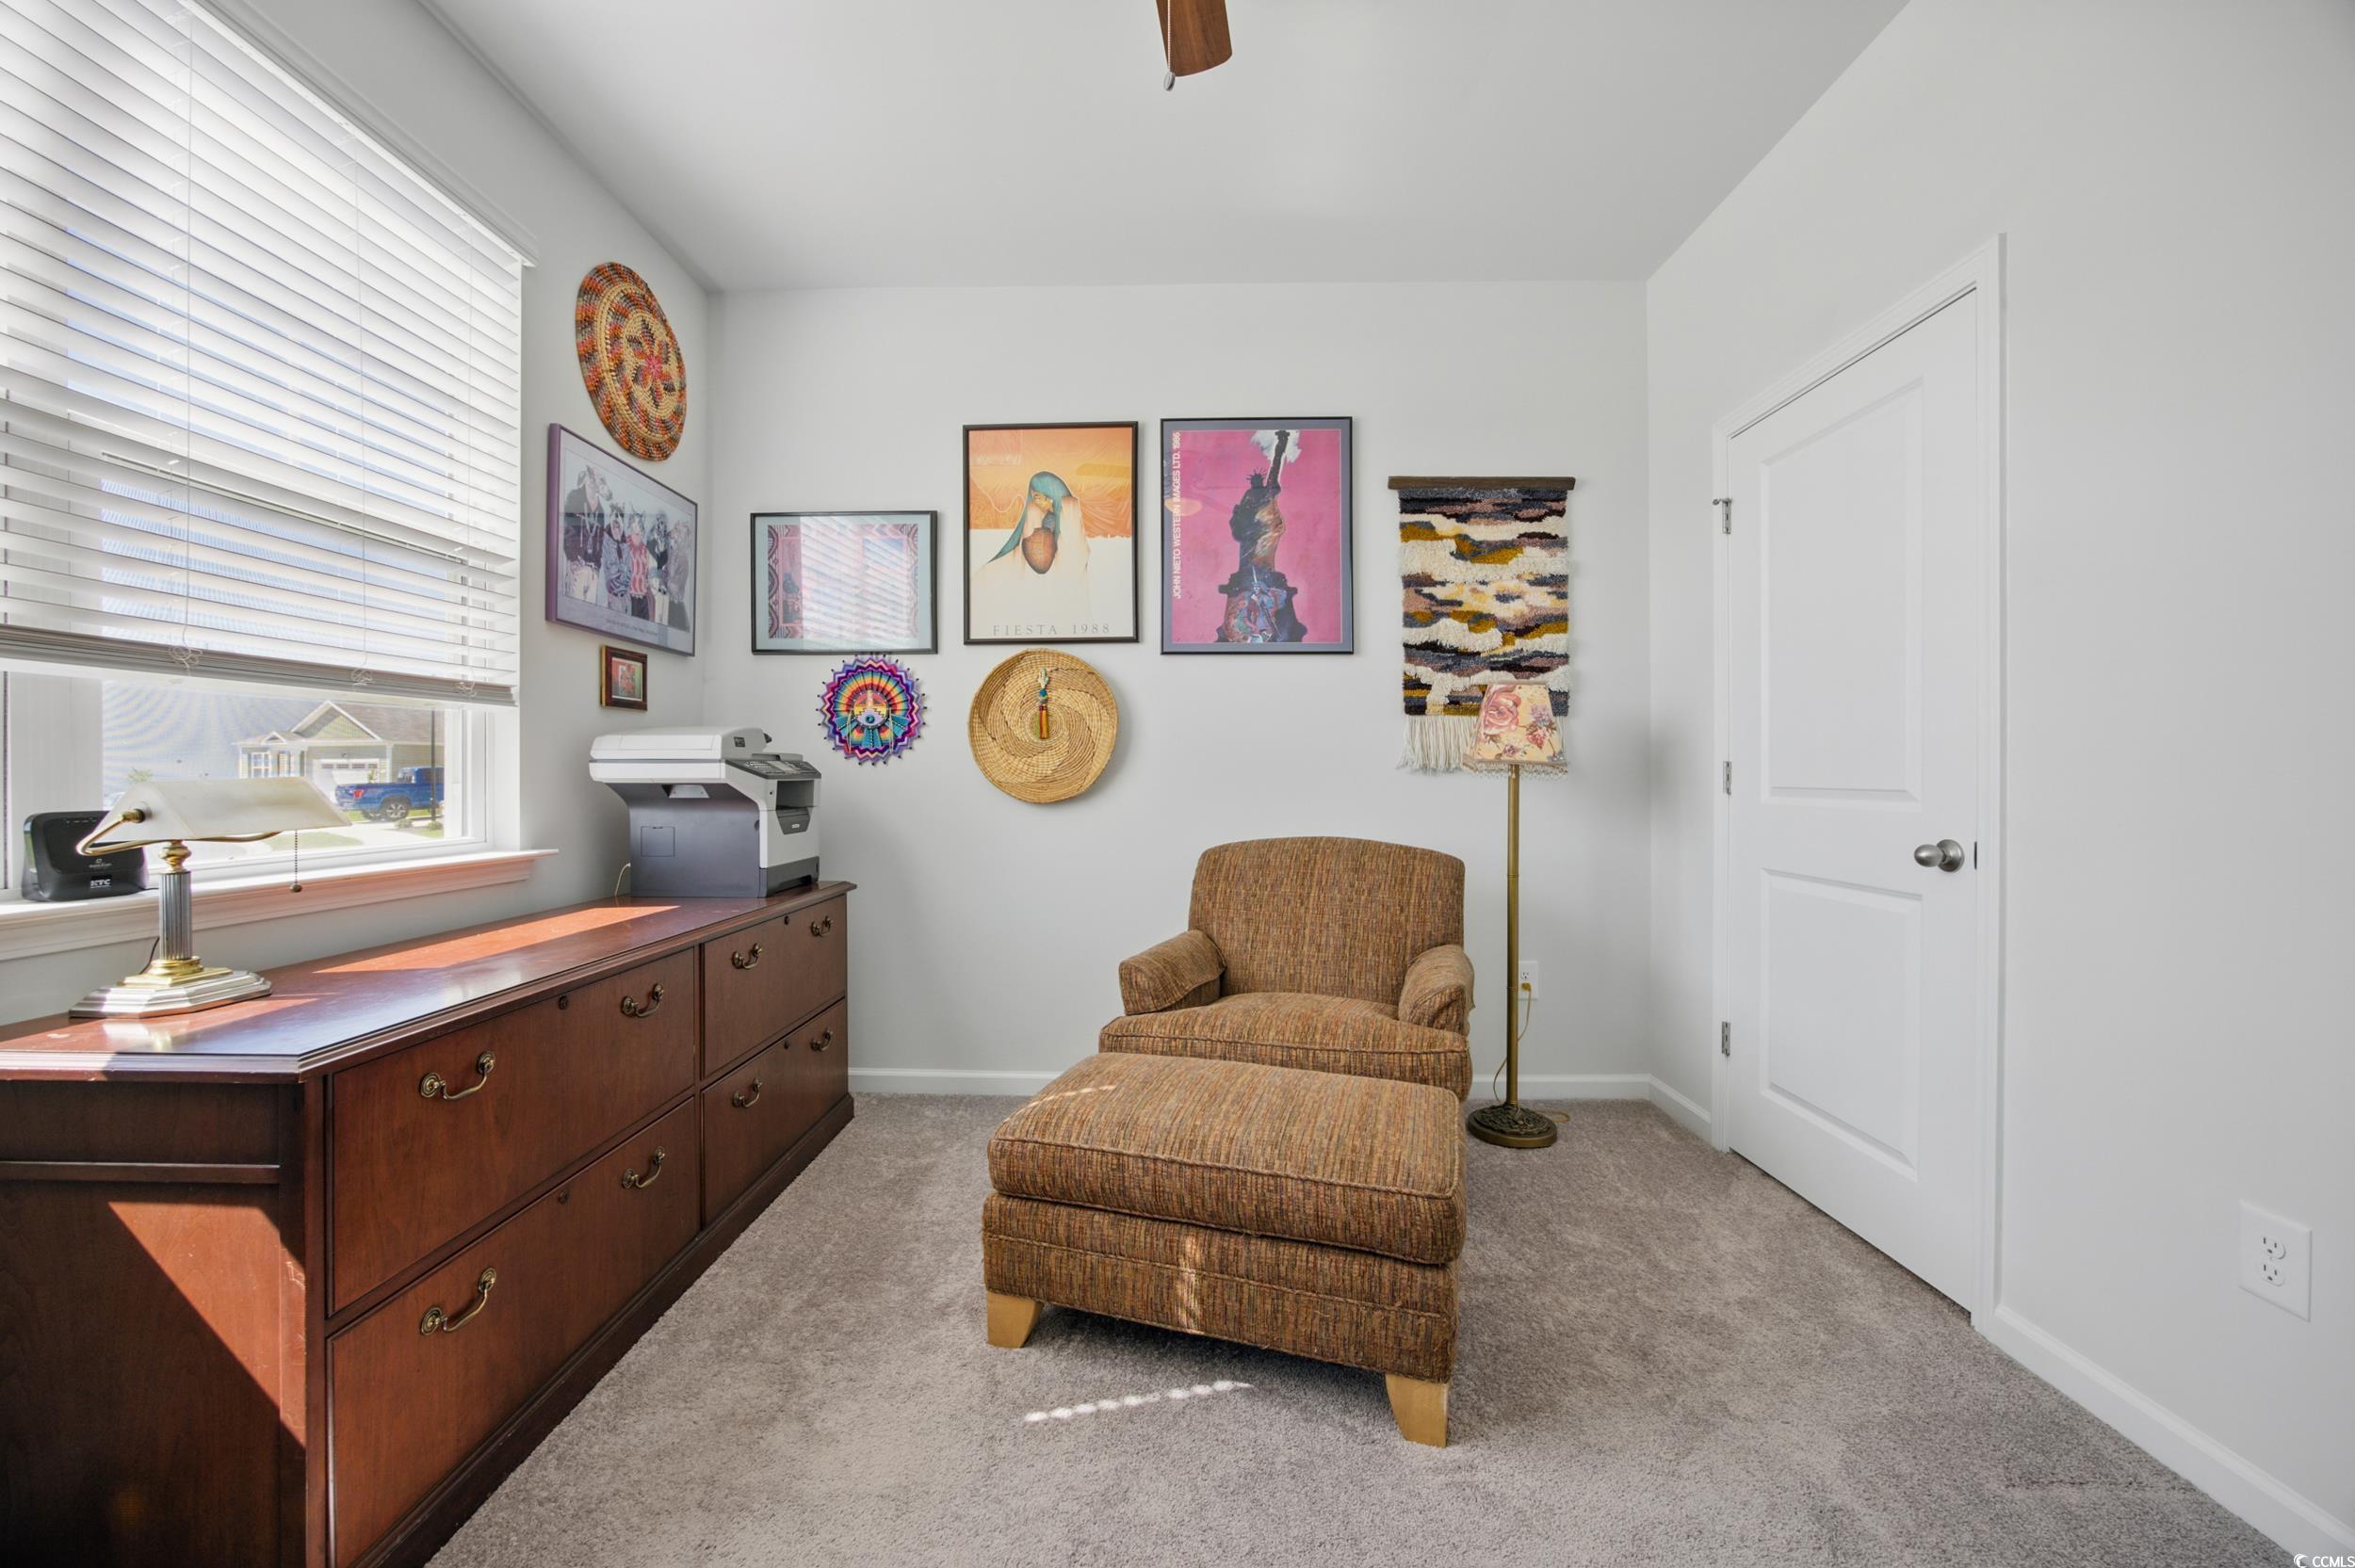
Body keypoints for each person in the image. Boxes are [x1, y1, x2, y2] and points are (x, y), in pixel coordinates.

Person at [972, 471, 1095, 634]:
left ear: (1049, 496)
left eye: (1037, 496)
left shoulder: (1068, 519)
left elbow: (1073, 559)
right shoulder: (1042, 516)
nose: (1035, 501)